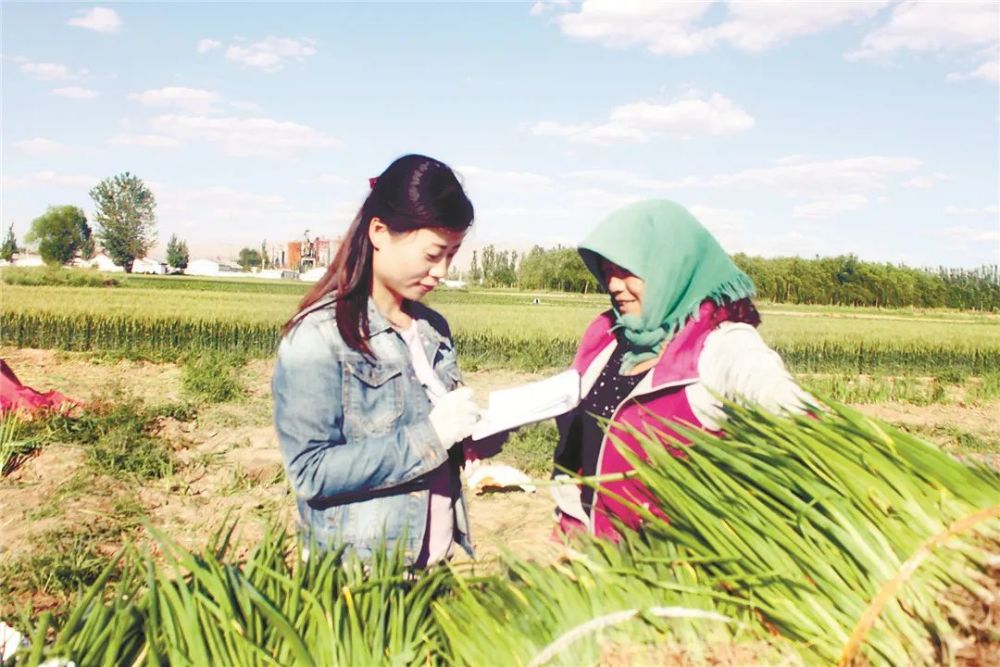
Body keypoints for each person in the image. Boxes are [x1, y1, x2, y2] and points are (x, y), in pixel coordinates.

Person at [273, 154, 499, 565]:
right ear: (379, 232)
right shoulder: (319, 338)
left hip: (436, 563)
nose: (442, 271)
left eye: (452, 254)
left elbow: (440, 434)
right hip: (362, 576)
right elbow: (310, 471)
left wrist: (474, 436)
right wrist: (432, 437)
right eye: (433, 254)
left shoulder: (432, 328)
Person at [552, 199, 812, 540]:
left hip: (669, 569)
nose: (613, 285)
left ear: (669, 268)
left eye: (627, 271)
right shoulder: (608, 337)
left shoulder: (722, 346)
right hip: (587, 553)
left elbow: (784, 404)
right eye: (607, 271)